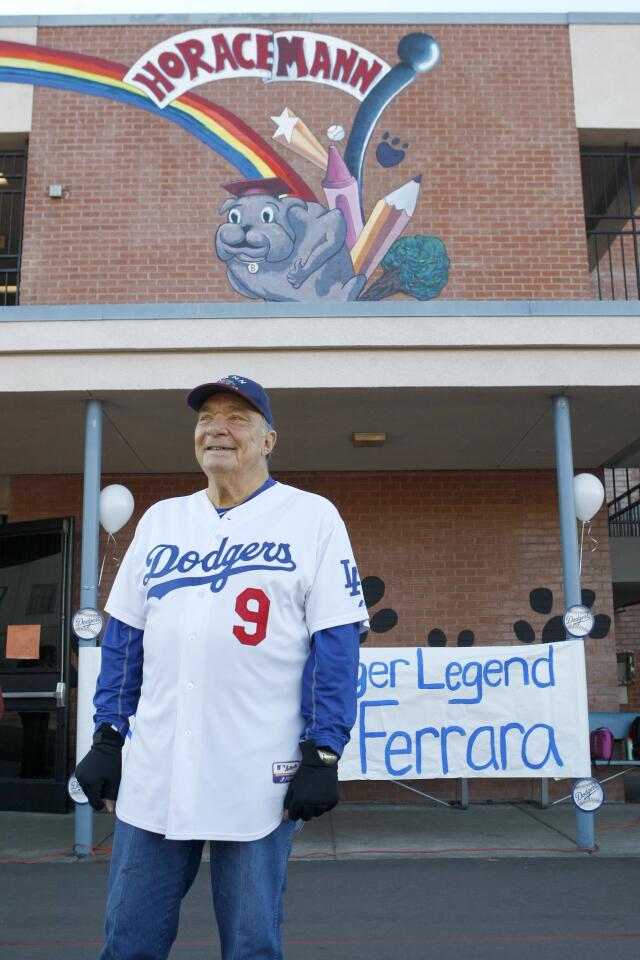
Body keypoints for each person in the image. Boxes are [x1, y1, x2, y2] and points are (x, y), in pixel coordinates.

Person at [74, 374, 367, 960]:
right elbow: (125, 639)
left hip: (257, 772)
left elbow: (335, 645)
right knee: (128, 940)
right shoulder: (161, 521)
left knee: (253, 944)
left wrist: (325, 750)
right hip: (156, 767)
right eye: (206, 417)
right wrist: (109, 735)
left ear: (268, 440)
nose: (216, 428)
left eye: (237, 417)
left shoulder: (312, 517)